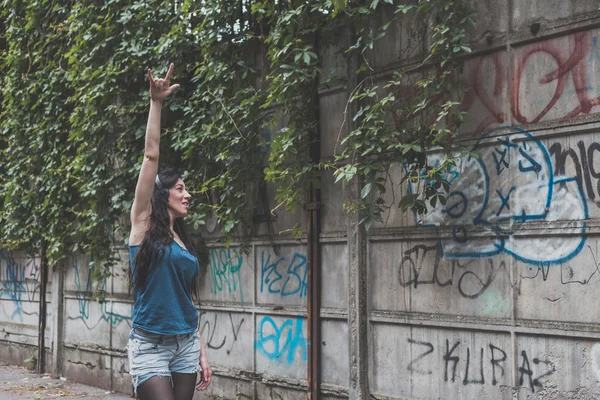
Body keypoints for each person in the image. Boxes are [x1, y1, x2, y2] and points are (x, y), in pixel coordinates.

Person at [127, 63, 212, 400]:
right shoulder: (142, 225)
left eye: (186, 188)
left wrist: (201, 351)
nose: (187, 194)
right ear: (162, 195)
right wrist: (156, 103)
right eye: (179, 188)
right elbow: (150, 157)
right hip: (149, 345)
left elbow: (185, 299)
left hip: (186, 345)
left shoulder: (182, 240)